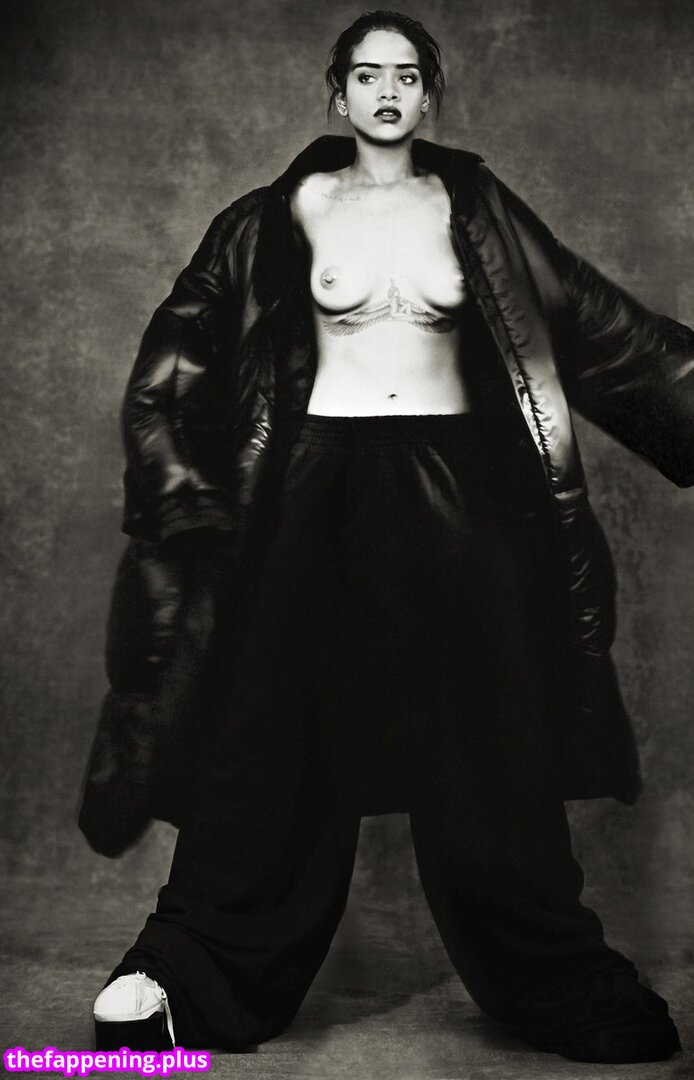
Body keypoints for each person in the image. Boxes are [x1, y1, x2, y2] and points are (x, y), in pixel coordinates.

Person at [84, 10, 693, 1066]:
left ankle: (550, 968)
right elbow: (172, 362)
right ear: (337, 93)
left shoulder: (477, 210)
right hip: (315, 483)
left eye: (407, 75)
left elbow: (598, 326)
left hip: (460, 488)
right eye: (366, 75)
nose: (386, 91)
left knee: (494, 728)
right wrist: (182, 491)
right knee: (271, 728)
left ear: (429, 94)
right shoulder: (275, 216)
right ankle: (195, 964)